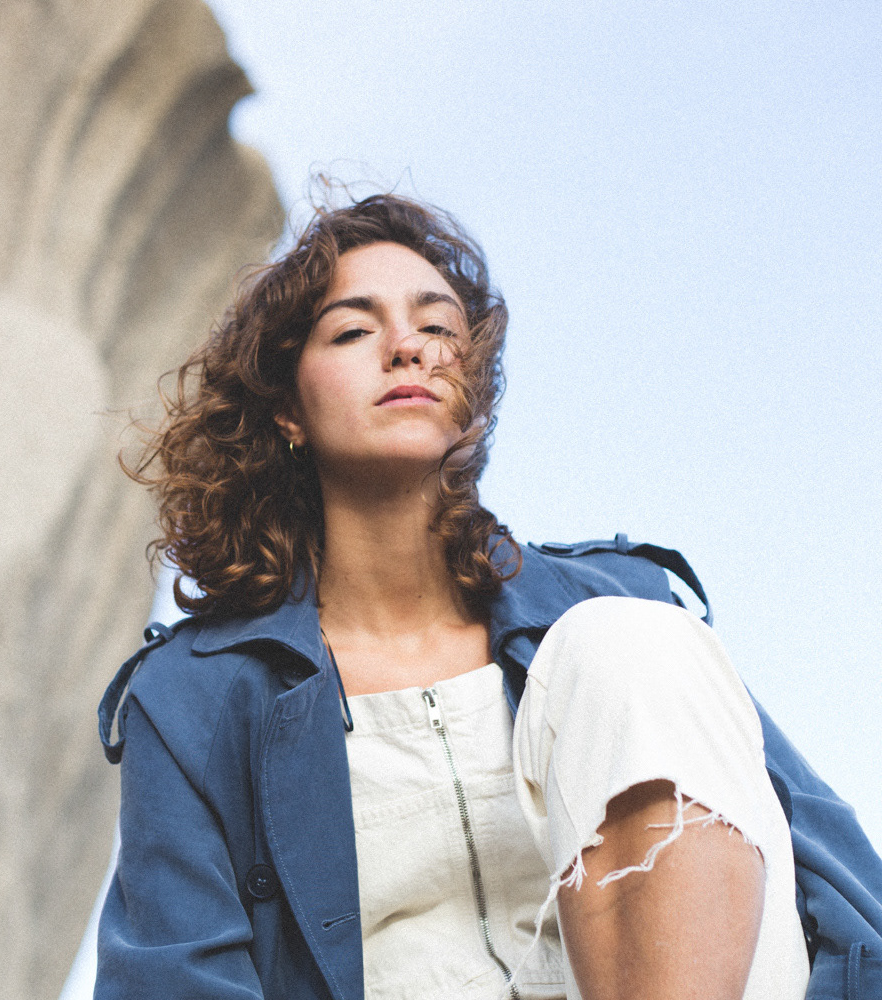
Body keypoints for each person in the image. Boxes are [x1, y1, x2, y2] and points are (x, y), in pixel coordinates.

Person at [94, 192, 876, 1000]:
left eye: (437, 327)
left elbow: (841, 885)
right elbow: (172, 978)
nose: (408, 348)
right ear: (288, 408)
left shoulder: (616, 607)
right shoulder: (196, 697)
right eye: (354, 331)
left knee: (627, 639)